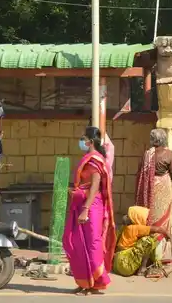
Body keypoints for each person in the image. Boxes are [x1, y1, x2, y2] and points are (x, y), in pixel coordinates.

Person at [62, 126, 117, 295]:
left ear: (90, 141)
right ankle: (84, 281)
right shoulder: (87, 158)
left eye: (83, 138)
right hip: (81, 203)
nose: (82, 141)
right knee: (78, 244)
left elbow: (94, 187)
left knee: (92, 245)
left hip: (91, 206)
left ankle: (95, 283)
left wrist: (85, 209)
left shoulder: (96, 161)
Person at [135, 128, 172, 264]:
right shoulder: (168, 154)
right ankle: (161, 256)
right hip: (163, 189)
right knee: (163, 220)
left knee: (151, 221)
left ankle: (147, 256)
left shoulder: (147, 154)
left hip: (149, 191)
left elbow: (139, 172)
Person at [114, 206, 171, 278]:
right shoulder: (135, 228)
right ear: (138, 218)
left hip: (117, 264)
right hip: (126, 265)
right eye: (146, 218)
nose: (147, 220)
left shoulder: (124, 227)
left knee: (140, 243)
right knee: (148, 240)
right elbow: (158, 229)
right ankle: (142, 269)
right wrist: (168, 236)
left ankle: (140, 267)